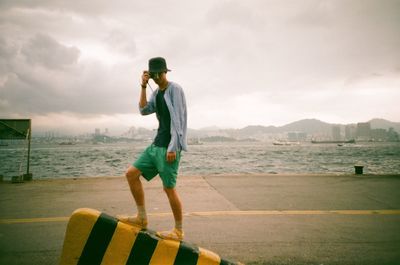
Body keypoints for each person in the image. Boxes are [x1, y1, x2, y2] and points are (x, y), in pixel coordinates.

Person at [118, 57, 188, 241]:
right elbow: (143, 110)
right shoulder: (156, 93)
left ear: (165, 72)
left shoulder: (175, 89)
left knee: (169, 189)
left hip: (168, 148)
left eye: (159, 73)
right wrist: (143, 86)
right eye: (153, 74)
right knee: (131, 174)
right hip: (156, 145)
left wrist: (173, 147)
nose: (156, 77)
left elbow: (178, 120)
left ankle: (178, 231)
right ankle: (141, 218)